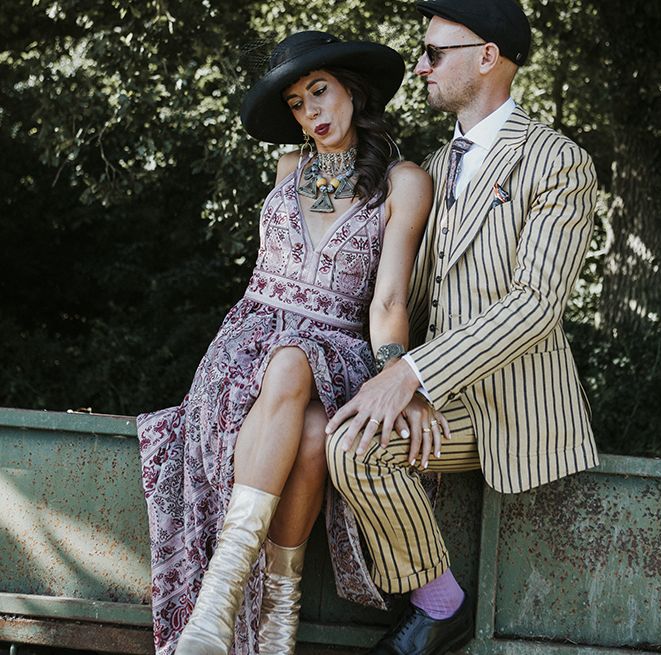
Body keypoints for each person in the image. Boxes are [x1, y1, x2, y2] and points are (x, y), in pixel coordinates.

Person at [137, 31, 433, 655]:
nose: (312, 112)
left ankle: (221, 602)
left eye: (319, 91)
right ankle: (272, 627)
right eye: (297, 103)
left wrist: (394, 376)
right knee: (304, 415)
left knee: (302, 379)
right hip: (248, 345)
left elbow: (387, 302)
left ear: (351, 87)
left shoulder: (404, 181)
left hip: (336, 350)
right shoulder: (287, 169)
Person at [324, 1, 600, 653]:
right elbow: (412, 296)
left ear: (486, 58)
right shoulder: (437, 166)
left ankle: (439, 612)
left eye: (434, 53)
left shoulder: (559, 161)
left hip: (512, 405)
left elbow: (535, 303)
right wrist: (400, 379)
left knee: (353, 445)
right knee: (346, 438)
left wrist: (414, 373)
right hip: (442, 399)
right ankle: (439, 597)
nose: (420, 67)